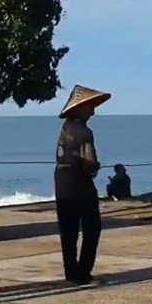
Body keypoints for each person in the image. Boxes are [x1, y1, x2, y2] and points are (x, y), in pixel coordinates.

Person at [54, 85, 109, 286]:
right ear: (79, 108)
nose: (93, 111)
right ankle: (83, 272)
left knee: (68, 229)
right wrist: (95, 168)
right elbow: (89, 161)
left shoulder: (66, 127)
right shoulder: (85, 132)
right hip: (79, 181)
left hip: (61, 178)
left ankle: (70, 272)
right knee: (92, 226)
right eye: (89, 107)